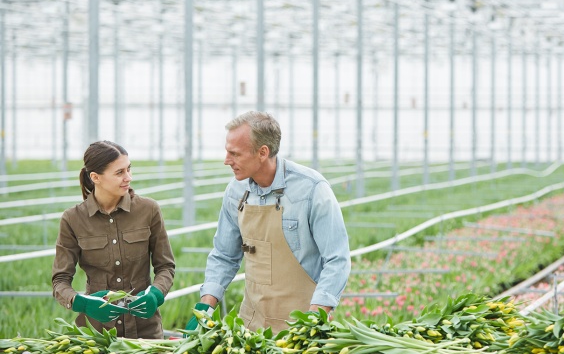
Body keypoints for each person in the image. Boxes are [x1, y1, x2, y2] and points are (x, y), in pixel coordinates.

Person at [186, 111, 351, 334]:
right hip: (251, 325)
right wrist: (205, 307)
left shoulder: (311, 190)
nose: (227, 161)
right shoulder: (236, 191)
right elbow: (224, 255)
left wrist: (315, 317)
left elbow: (337, 259)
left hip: (301, 325)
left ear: (262, 153)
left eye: (235, 154)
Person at [52, 141, 176, 339]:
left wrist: (156, 294)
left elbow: (166, 266)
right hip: (95, 335)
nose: (128, 178)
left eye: (129, 169)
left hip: (145, 333)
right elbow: (60, 281)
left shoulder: (149, 210)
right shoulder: (73, 219)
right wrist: (82, 303)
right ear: (95, 177)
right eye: (119, 173)